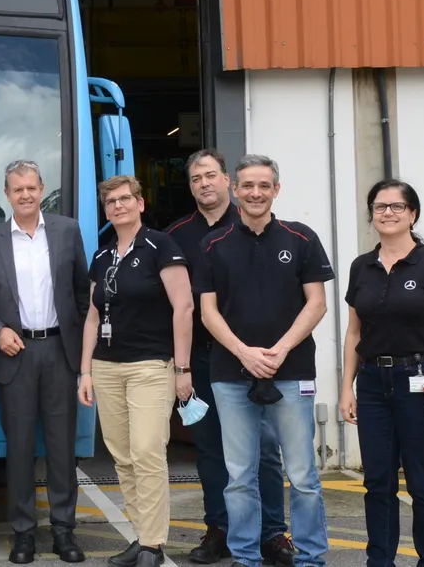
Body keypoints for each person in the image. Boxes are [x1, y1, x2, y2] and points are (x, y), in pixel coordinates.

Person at [195, 154, 333, 567]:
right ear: (234, 190)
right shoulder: (211, 245)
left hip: (291, 373)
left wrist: (280, 350)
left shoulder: (301, 238)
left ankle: (311, 559)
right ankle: (245, 558)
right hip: (230, 375)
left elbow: (317, 304)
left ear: (276, 190)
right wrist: (244, 352)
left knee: (304, 477)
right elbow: (207, 312)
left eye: (264, 185)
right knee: (239, 478)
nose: (256, 193)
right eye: (248, 186)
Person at [163, 149, 295, 565]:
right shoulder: (176, 235)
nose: (204, 183)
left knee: (265, 450)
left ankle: (273, 533)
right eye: (196, 177)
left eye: (211, 175)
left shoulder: (257, 226)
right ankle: (219, 529)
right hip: (204, 360)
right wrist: (177, 365)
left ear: (228, 183)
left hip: (257, 362)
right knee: (210, 451)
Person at [339, 179, 424, 566]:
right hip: (373, 383)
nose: (388, 213)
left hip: (423, 378)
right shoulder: (360, 266)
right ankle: (379, 561)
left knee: (423, 482)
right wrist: (347, 387)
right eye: (380, 207)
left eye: (397, 207)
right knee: (377, 482)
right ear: (372, 215)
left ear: (413, 214)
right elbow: (354, 332)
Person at [0, 160, 89, 563]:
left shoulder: (67, 230)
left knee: (62, 449)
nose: (25, 194)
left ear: (42, 189)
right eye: (16, 189)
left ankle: (63, 532)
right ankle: (23, 534)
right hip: (14, 353)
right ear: (7, 194)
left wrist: (81, 351)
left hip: (60, 352)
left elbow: (81, 293)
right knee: (19, 450)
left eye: (31, 187)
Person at [78, 175, 193, 567]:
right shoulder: (102, 255)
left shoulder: (162, 246)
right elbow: (93, 317)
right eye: (111, 202)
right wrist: (85, 371)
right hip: (106, 367)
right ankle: (140, 536)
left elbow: (184, 308)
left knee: (146, 451)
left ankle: (153, 545)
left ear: (141, 203)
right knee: (123, 457)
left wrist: (183, 368)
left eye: (125, 199)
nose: (118, 206)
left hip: (150, 365)